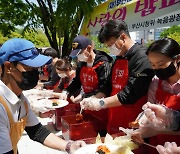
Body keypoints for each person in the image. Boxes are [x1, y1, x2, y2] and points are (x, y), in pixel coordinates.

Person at [0, 38, 85, 154]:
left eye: (36, 69)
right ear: (9, 67)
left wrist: (69, 146)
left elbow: (37, 131)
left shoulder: (21, 99)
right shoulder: (1, 106)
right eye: (30, 68)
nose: (35, 74)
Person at [80, 20, 154, 134]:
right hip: (114, 116)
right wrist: (94, 98)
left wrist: (100, 104)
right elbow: (108, 85)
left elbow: (130, 94)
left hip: (133, 121)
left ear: (123, 37)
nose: (110, 48)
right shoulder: (119, 57)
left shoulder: (142, 58)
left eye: (110, 44)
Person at [59, 35, 113, 135]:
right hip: (86, 105)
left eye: (80, 53)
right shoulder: (81, 64)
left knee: (99, 132)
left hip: (100, 106)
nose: (78, 57)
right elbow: (77, 82)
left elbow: (105, 87)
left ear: (89, 48)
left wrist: (85, 96)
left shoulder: (103, 63)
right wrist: (66, 91)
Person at [133, 38, 180, 154]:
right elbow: (148, 110)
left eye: (161, 64)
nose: (157, 69)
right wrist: (141, 127)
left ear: (177, 59)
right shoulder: (155, 82)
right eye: (153, 65)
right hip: (156, 145)